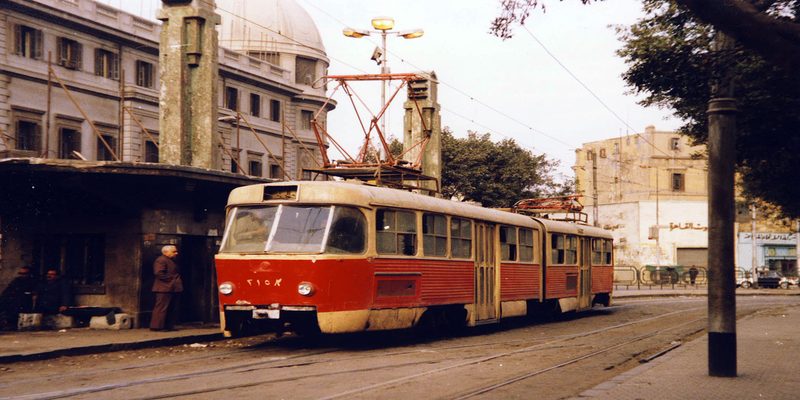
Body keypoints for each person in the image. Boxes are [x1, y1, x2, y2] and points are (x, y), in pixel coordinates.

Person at [150, 245, 183, 331]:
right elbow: (159, 273)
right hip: (164, 288)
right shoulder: (161, 260)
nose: (176, 253)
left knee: (170, 307)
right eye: (174, 252)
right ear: (166, 252)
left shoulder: (171, 260)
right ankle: (157, 326)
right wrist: (172, 280)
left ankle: (167, 325)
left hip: (171, 287)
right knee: (162, 307)